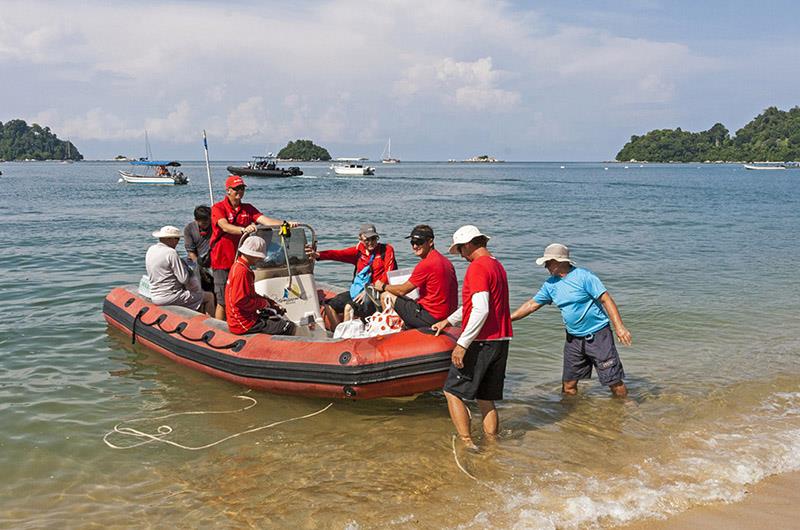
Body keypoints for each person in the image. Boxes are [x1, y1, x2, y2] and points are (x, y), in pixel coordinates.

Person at [510, 243, 632, 398]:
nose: (545, 266)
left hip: (599, 336)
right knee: (568, 385)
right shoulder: (550, 285)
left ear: (560, 261)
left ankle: (626, 408)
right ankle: (571, 417)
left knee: (613, 381)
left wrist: (619, 327)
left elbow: (606, 299)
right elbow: (532, 304)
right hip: (573, 339)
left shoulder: (584, 276)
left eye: (548, 262)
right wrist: (508, 319)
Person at [431, 225, 512, 449]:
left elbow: (481, 309)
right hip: (501, 340)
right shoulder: (497, 265)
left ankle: (467, 443)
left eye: (460, 250)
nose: (461, 256)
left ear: (468, 245)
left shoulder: (477, 267)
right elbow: (475, 305)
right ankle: (492, 445)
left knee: (451, 391)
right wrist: (449, 320)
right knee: (486, 397)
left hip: (481, 341)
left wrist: (462, 344)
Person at [210, 175, 293, 321]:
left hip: (243, 261)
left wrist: (285, 223)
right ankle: (221, 328)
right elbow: (225, 226)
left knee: (244, 294)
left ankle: (244, 321)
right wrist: (243, 230)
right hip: (223, 260)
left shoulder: (247, 208)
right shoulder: (218, 208)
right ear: (228, 190)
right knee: (223, 300)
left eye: (242, 188)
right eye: (236, 189)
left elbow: (265, 220)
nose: (240, 191)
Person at [306, 223, 397, 327]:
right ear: (360, 239)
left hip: (376, 292)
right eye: (367, 239)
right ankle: (338, 335)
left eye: (374, 238)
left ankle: (349, 336)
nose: (371, 242)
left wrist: (370, 288)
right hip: (358, 292)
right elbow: (338, 254)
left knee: (348, 307)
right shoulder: (358, 252)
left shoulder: (386, 250)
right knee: (329, 305)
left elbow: (389, 273)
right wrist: (318, 255)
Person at [374, 225, 458, 329]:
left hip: (430, 317)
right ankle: (406, 327)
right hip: (447, 316)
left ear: (430, 242)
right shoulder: (446, 262)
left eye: (419, 242)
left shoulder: (426, 263)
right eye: (412, 242)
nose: (414, 246)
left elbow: (402, 290)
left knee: (386, 295)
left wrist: (383, 286)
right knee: (411, 299)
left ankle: (390, 332)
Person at [225, 236, 295, 336]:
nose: (259, 259)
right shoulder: (242, 272)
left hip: (246, 317)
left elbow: (249, 294)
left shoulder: (239, 266)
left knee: (273, 315)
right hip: (243, 323)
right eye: (258, 256)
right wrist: (262, 303)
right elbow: (240, 300)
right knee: (287, 326)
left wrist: (269, 302)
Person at [145, 225, 214, 315]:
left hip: (155, 295)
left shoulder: (151, 249)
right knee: (209, 296)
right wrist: (187, 268)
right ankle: (211, 323)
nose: (178, 242)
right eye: (177, 239)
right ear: (169, 239)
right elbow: (184, 279)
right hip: (171, 296)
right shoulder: (171, 253)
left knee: (195, 295)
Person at [184, 205, 213, 292]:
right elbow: (191, 252)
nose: (206, 224)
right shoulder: (189, 229)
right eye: (203, 223)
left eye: (208, 221)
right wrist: (199, 266)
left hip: (212, 258)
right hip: (197, 260)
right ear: (196, 220)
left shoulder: (215, 225)